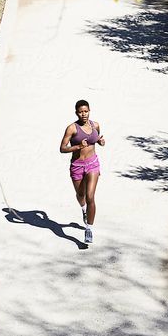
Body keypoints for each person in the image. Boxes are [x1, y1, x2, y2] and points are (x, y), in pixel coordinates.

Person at [60, 99, 105, 244]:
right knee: (81, 195)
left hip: (92, 164)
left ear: (89, 111)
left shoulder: (95, 125)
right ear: (76, 113)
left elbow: (96, 138)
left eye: (86, 111)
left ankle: (89, 229)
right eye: (80, 112)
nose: (83, 114)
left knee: (90, 196)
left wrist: (100, 141)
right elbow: (62, 148)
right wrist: (78, 146)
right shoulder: (71, 128)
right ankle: (84, 209)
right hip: (77, 165)